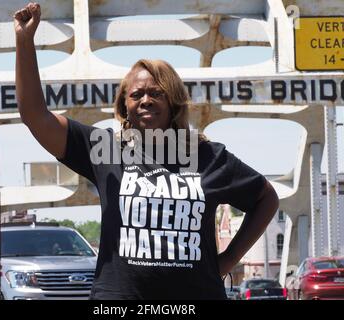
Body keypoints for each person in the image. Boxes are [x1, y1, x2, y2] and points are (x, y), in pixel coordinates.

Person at [14, 3, 279, 300]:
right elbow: (35, 115)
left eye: (157, 93)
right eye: (136, 94)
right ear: (123, 106)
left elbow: (266, 198)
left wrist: (226, 261)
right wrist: (25, 41)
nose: (146, 100)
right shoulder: (106, 150)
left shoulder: (209, 157)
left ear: (175, 102)